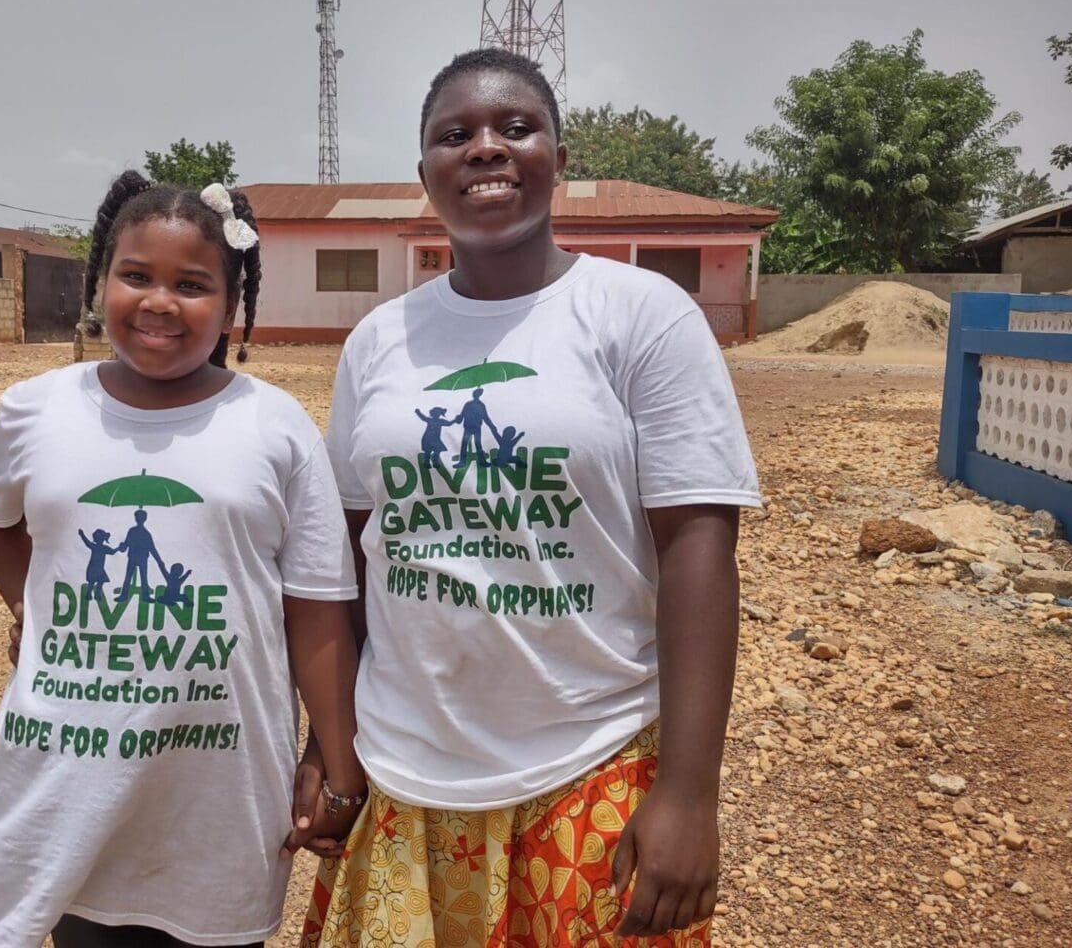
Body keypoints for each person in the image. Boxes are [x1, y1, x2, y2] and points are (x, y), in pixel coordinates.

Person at [293, 48, 761, 947]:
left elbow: (698, 546)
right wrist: (329, 747)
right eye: (453, 134)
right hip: (404, 774)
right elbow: (347, 563)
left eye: (516, 128)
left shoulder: (639, 315)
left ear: (557, 156)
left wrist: (692, 793)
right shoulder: (381, 341)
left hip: (590, 762)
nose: (485, 148)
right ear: (423, 169)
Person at [0, 170, 366, 948]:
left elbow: (317, 609)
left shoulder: (274, 427)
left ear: (231, 302)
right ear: (99, 281)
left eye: (191, 283)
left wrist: (340, 766)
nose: (159, 302)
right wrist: (30, 605)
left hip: (216, 798)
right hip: (65, 787)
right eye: (135, 275)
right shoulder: (34, 411)